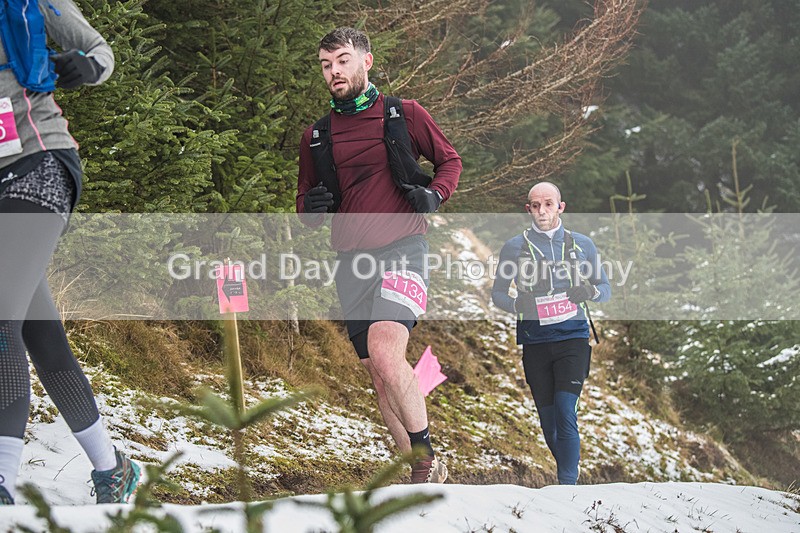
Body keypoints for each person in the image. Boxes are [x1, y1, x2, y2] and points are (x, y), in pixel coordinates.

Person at [296, 27, 460, 483]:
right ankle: (420, 470)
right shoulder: (317, 135)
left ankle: (423, 458)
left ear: (366, 61)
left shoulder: (403, 113)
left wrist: (436, 195)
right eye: (326, 65)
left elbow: (450, 160)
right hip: (352, 262)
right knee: (378, 373)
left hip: (404, 248)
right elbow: (306, 202)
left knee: (386, 352)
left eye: (343, 61)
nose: (334, 71)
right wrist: (309, 209)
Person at [0, 0, 139, 504]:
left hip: (39, 164)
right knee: (41, 336)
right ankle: (112, 467)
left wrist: (83, 67)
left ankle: (2, 480)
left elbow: (100, 53)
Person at [491, 181, 610, 485]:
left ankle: (567, 487)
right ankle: (570, 474)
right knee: (549, 424)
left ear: (561, 206)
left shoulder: (582, 244)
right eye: (535, 205)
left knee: (565, 410)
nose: (541, 210)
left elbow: (605, 288)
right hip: (536, 343)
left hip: (573, 338)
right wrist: (519, 302)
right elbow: (498, 295)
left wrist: (590, 290)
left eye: (548, 204)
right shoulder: (514, 247)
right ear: (528, 208)